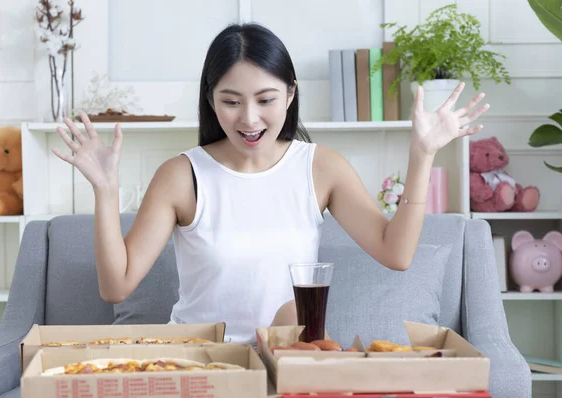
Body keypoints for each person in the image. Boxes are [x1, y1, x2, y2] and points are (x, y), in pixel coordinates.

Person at [52, 22, 489, 344]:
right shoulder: (182, 175)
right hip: (200, 361)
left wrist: (423, 153)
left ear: (291, 95)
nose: (249, 119)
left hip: (287, 358)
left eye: (265, 100)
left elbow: (397, 253)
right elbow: (116, 286)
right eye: (231, 101)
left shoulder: (321, 167)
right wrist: (105, 189)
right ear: (210, 99)